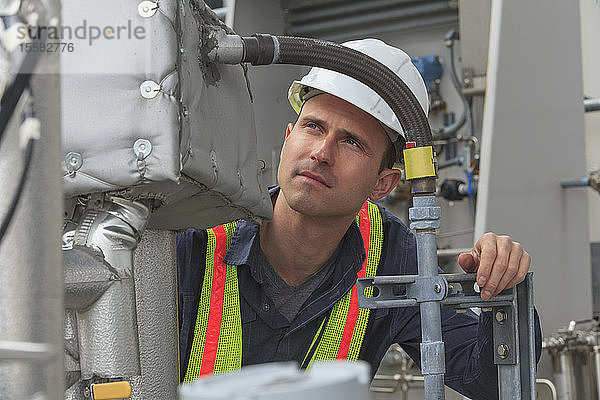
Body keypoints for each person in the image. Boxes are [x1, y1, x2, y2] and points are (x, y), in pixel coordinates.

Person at [177, 38, 541, 398]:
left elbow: (489, 382)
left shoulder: (393, 256)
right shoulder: (196, 234)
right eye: (313, 127)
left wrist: (503, 290)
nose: (321, 152)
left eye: (351, 141)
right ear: (288, 138)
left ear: (383, 184)